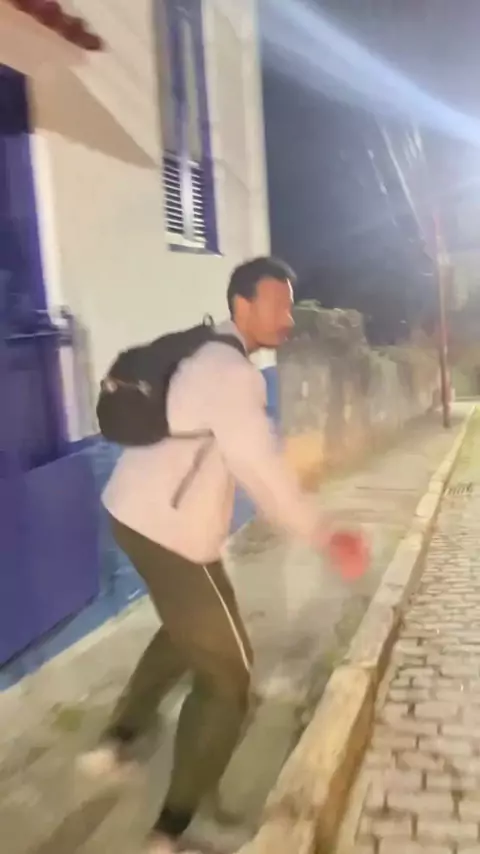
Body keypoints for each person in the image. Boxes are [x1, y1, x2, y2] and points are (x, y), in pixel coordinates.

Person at [78, 257, 367, 853]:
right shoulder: (231, 374)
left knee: (189, 629)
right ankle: (175, 827)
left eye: (291, 306)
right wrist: (324, 533)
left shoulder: (207, 352)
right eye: (278, 305)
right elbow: (262, 471)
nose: (288, 318)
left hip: (136, 514)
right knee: (229, 677)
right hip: (169, 531)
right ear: (243, 305)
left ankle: (118, 740)